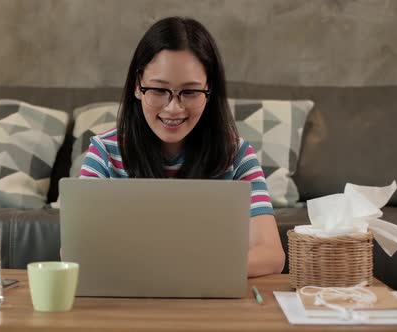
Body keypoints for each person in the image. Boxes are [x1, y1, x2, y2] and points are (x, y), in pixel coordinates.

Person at [79, 17, 285, 277]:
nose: (173, 108)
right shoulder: (104, 152)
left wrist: (178, 270)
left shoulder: (237, 156)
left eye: (189, 92)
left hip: (208, 301)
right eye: (158, 90)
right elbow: (75, 252)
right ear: (137, 86)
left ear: (209, 89)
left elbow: (271, 255)